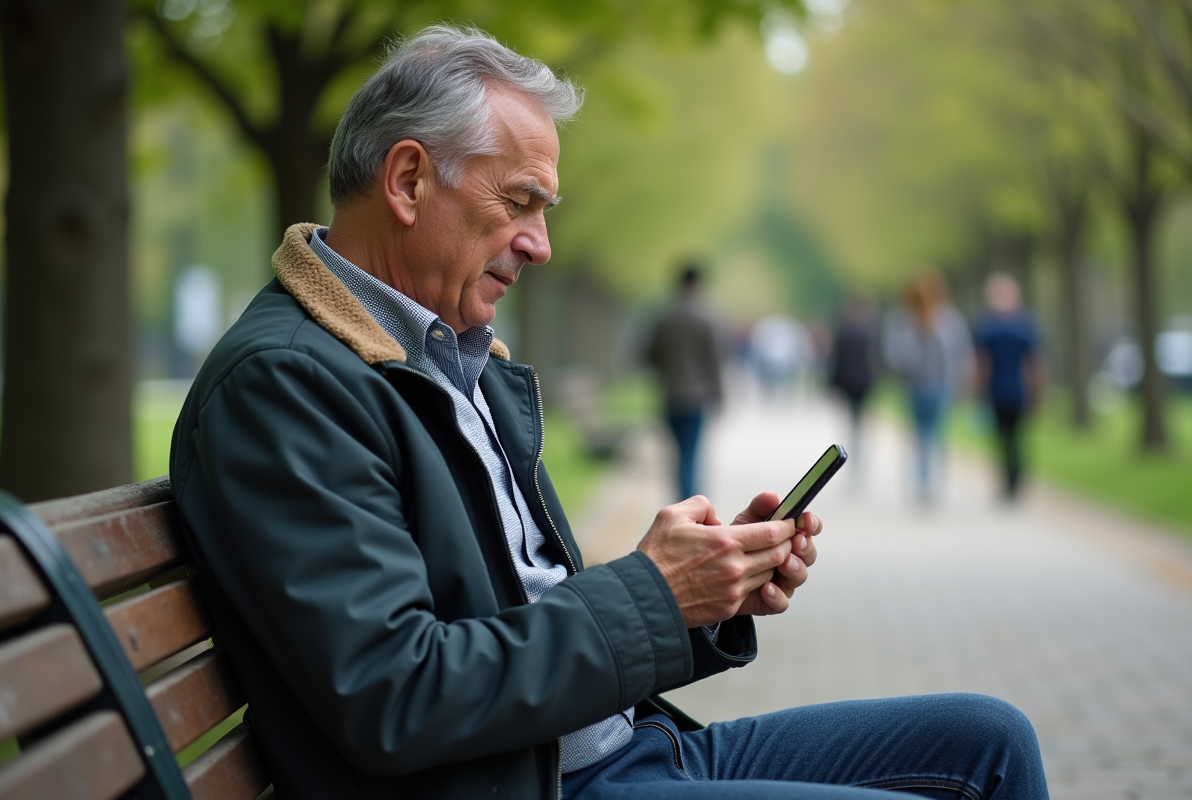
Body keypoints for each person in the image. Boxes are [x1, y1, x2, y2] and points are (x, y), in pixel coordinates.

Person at [170, 24, 1048, 799]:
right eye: (519, 203)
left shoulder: (436, 358)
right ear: (407, 180)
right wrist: (652, 595)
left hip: (613, 751)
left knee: (991, 738)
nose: (541, 245)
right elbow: (396, 694)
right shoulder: (289, 383)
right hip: (547, 782)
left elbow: (519, 611)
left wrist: (701, 597)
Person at [883, 270, 973, 502]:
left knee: (933, 435)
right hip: (916, 387)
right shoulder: (904, 319)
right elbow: (895, 355)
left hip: (938, 386)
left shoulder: (946, 318)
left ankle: (930, 482)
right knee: (924, 435)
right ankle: (925, 483)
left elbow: (959, 354)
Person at [645, 264, 724, 500]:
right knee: (691, 453)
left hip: (670, 394)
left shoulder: (664, 318)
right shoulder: (705, 318)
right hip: (696, 397)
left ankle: (683, 500)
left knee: (678, 452)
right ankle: (691, 502)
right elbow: (713, 361)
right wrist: (719, 395)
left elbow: (650, 356)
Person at [973, 272, 1045, 500]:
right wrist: (1039, 392)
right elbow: (1036, 363)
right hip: (1017, 391)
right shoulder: (1025, 324)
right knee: (1016, 437)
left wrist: (976, 390)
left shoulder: (987, 326)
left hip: (999, 390)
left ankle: (1009, 481)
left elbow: (981, 363)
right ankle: (1016, 480)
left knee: (1004, 438)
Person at [828, 292, 879, 464]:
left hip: (849, 382)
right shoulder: (869, 333)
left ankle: (856, 451)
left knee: (853, 419)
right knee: (860, 418)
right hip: (864, 381)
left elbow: (836, 361)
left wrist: (833, 384)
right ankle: (860, 452)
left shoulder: (843, 333)